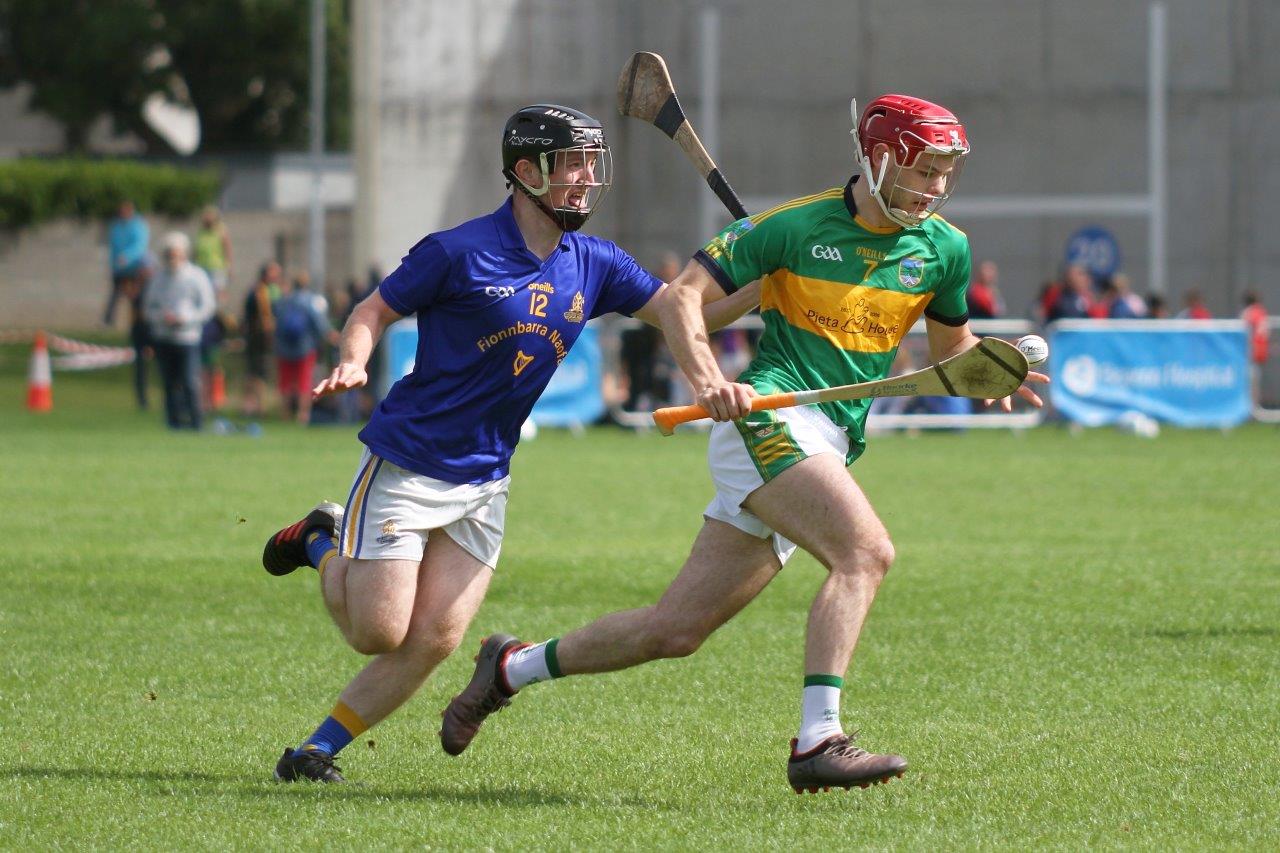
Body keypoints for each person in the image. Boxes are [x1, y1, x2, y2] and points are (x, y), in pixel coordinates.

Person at [439, 94, 1048, 793]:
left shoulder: (945, 248)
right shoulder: (789, 228)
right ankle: (819, 739)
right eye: (925, 170)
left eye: (947, 172)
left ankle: (509, 666)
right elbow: (679, 299)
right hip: (769, 417)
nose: (937, 187)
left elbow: (951, 349)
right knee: (865, 552)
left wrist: (985, 370)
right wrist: (713, 371)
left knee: (674, 630)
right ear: (879, 160)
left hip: (832, 436)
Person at [257, 104, 758, 783]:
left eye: (591, 164)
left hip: (486, 478)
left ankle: (314, 751)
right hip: (409, 464)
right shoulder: (456, 251)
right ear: (526, 172)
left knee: (435, 636)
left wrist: (759, 285)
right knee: (377, 630)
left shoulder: (595, 262)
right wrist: (353, 358)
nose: (586, 179)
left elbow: (678, 306)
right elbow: (373, 309)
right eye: (572, 164)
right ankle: (320, 537)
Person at [142, 232, 216, 430]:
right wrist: (162, 318)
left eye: (175, 254)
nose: (172, 258)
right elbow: (149, 308)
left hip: (188, 338)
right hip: (164, 337)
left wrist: (187, 319)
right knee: (169, 383)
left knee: (190, 381)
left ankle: (196, 421)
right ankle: (173, 422)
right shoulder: (158, 279)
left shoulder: (196, 276)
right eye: (168, 254)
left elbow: (207, 306)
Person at [273, 271, 338, 425]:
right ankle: (303, 415)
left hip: (284, 347)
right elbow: (319, 323)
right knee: (304, 382)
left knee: (286, 383)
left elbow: (276, 320)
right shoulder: (310, 300)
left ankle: (285, 414)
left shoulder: (283, 300)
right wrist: (331, 335)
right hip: (305, 347)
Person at [194, 206, 235, 410]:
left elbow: (227, 252)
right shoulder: (200, 234)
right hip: (202, 271)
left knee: (215, 306)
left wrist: (228, 271)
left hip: (216, 270)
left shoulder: (221, 231)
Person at [241, 261, 282, 418]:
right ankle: (256, 407)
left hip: (257, 339)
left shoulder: (270, 290)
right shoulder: (261, 291)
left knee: (255, 374)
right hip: (258, 340)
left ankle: (253, 406)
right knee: (256, 374)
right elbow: (266, 320)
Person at [104, 200, 150, 326]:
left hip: (134, 267)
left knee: (136, 296)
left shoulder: (138, 225)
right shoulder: (116, 226)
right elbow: (113, 247)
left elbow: (140, 245)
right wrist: (114, 263)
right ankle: (108, 321)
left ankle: (138, 320)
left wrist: (127, 256)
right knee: (115, 295)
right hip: (119, 268)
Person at [1241, 290, 1270, 407]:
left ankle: (1250, 408)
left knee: (1248, 381)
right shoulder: (1262, 312)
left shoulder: (1248, 313)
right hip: (1259, 350)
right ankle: (1254, 406)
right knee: (1255, 380)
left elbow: (1242, 331)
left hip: (1249, 350)